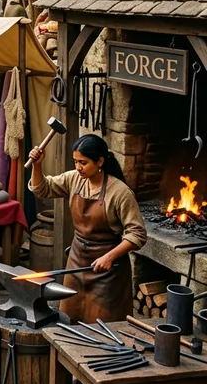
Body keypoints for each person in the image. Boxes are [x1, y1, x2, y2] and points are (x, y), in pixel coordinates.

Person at [28, 134, 147, 323]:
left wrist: (110, 256)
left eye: (83, 162)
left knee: (103, 327)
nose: (77, 167)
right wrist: (37, 165)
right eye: (75, 161)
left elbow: (137, 234)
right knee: (69, 319)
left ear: (100, 161)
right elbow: (42, 188)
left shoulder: (120, 193)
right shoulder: (74, 179)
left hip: (107, 271)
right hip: (76, 262)